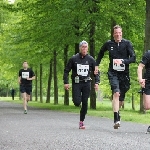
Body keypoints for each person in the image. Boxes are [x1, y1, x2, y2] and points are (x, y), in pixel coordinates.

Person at [95, 25, 136, 129]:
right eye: (116, 33)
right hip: (113, 73)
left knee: (121, 96)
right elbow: (100, 53)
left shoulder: (127, 44)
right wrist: (96, 65)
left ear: (121, 33)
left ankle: (118, 112)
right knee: (116, 93)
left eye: (119, 33)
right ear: (113, 34)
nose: (118, 34)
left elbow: (133, 58)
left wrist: (123, 61)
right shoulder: (109, 44)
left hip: (124, 74)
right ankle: (116, 119)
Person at [63, 40, 100, 129]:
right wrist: (66, 82)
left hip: (87, 83)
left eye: (85, 47)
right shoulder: (73, 59)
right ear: (80, 48)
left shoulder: (91, 59)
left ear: (87, 48)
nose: (84, 49)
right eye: (82, 47)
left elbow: (96, 72)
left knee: (85, 103)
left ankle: (81, 121)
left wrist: (97, 82)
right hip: (76, 83)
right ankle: (76, 101)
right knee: (77, 102)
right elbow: (66, 71)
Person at [137, 50, 150, 132]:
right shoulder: (148, 53)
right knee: (147, 106)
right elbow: (140, 67)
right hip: (148, 82)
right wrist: (140, 79)